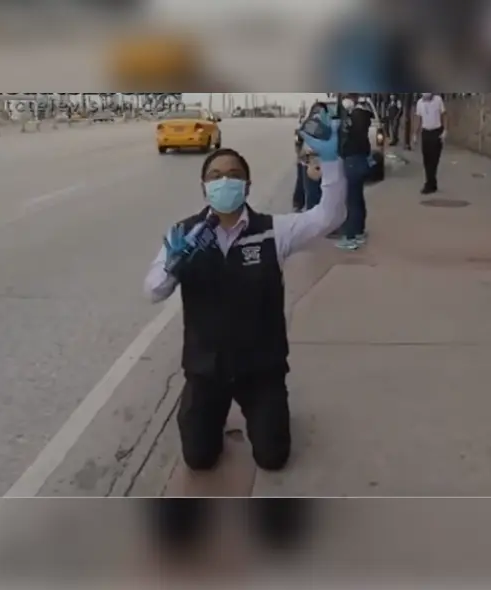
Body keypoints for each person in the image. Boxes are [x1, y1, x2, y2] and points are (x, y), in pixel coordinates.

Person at [143, 112, 346, 472]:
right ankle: (210, 419)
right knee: (199, 459)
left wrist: (331, 162)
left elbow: (328, 217)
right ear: (204, 186)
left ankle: (269, 413)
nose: (225, 181)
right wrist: (173, 265)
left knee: (272, 459)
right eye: (215, 176)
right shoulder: (184, 236)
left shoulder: (273, 231)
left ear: (248, 186)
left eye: (234, 175)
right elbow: (153, 292)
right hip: (206, 369)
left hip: (260, 367)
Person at [335, 93, 374, 251]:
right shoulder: (363, 115)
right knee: (357, 198)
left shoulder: (355, 117)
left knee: (351, 200)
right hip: (361, 159)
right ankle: (359, 232)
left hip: (352, 161)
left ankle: (350, 237)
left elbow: (350, 138)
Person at [413, 92, 447, 194]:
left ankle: (429, 184)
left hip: (436, 132)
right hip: (426, 133)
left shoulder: (438, 100)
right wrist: (415, 134)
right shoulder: (420, 103)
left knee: (434, 159)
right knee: (427, 159)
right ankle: (432, 183)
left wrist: (445, 130)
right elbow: (418, 119)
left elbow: (444, 115)